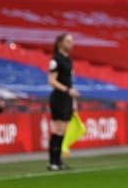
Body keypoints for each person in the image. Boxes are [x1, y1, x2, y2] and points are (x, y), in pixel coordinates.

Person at [47, 33, 79, 171]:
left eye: (71, 41)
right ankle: (52, 161)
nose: (71, 44)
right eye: (68, 41)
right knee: (57, 129)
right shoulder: (56, 60)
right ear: (60, 43)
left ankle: (58, 161)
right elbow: (51, 81)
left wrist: (73, 100)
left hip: (67, 98)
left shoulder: (68, 60)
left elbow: (69, 81)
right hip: (58, 98)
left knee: (64, 129)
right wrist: (67, 90)